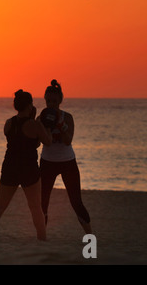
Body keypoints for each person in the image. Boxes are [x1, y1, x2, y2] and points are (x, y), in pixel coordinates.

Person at [0, 90, 51, 240]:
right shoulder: (35, 125)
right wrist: (44, 127)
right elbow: (47, 142)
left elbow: (18, 139)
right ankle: (42, 238)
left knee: (0, 205)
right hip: (28, 168)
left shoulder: (9, 123)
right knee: (35, 207)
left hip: (10, 166)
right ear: (29, 106)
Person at [39, 80, 92, 234]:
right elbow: (41, 142)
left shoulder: (67, 117)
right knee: (43, 202)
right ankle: (42, 236)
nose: (51, 104)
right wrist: (45, 127)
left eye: (54, 101)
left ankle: (89, 235)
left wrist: (60, 123)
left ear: (60, 100)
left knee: (76, 201)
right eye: (48, 101)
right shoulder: (41, 118)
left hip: (67, 162)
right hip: (47, 162)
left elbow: (68, 140)